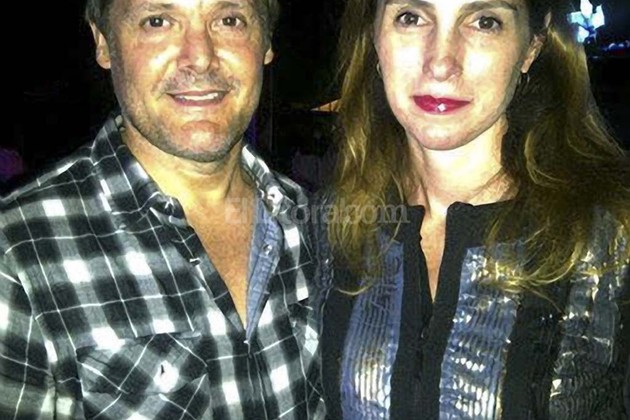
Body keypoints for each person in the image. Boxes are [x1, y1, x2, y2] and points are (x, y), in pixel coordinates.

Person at [0, 0, 326, 418]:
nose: (200, 57)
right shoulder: (18, 251)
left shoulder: (315, 224)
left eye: (229, 20)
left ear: (266, 40)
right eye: (158, 21)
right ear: (103, 42)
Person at [316, 0, 630, 418]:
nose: (441, 62)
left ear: (531, 47)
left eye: (485, 21)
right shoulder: (332, 226)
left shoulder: (612, 236)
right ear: (374, 36)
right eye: (411, 17)